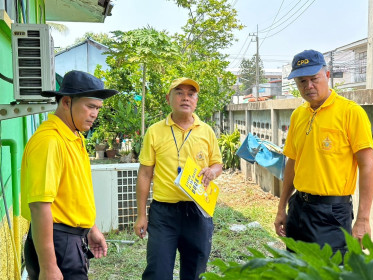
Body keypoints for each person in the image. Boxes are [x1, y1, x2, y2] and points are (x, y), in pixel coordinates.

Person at [274, 49, 373, 256]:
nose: (308, 86)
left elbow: (367, 166)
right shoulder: (298, 115)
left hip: (332, 214)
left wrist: (363, 219)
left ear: (327, 76)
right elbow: (293, 162)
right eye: (302, 81)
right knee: (295, 271)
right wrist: (282, 207)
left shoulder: (350, 112)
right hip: (298, 209)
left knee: (328, 273)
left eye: (314, 79)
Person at [21, 70, 119, 280]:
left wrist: (91, 228)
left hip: (70, 240)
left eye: (98, 108)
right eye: (90, 107)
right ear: (66, 102)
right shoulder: (50, 141)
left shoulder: (73, 137)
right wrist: (48, 266)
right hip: (56, 243)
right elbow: (39, 206)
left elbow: (75, 192)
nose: (95, 114)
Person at [133, 77, 223, 280]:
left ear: (196, 101)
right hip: (164, 212)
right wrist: (141, 215)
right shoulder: (155, 131)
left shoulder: (206, 132)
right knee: (158, 271)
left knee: (195, 271)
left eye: (191, 94)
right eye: (179, 93)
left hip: (197, 210)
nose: (185, 98)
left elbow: (218, 164)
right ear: (168, 98)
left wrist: (212, 171)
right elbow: (145, 174)